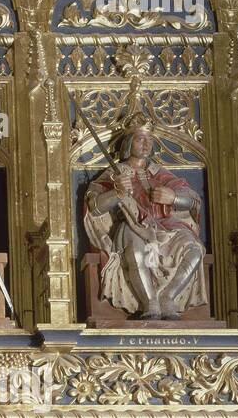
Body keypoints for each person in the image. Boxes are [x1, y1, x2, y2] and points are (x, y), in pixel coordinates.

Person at [82, 115, 206, 320]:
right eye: (140, 139)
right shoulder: (115, 174)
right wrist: (117, 193)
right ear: (129, 143)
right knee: (134, 247)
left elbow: (193, 201)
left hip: (165, 226)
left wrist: (173, 197)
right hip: (133, 224)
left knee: (194, 249)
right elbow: (94, 207)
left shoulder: (160, 173)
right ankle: (150, 302)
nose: (146, 144)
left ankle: (168, 295)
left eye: (149, 140)